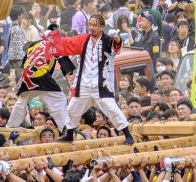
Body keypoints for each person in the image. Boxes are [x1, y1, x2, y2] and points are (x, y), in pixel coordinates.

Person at [52, 14, 135, 143]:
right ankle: (69, 134)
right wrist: (54, 40)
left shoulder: (107, 40)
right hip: (84, 83)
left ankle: (127, 134)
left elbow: (116, 49)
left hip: (101, 84)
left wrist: (118, 41)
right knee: (72, 109)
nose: (92, 28)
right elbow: (67, 43)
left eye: (95, 25)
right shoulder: (83, 39)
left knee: (112, 109)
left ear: (102, 26)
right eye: (90, 25)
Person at [6, 29, 74, 131]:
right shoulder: (56, 45)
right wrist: (69, 82)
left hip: (27, 75)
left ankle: (11, 126)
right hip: (40, 75)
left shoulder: (35, 44)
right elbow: (65, 64)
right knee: (59, 99)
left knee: (22, 102)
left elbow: (24, 62)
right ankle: (64, 127)